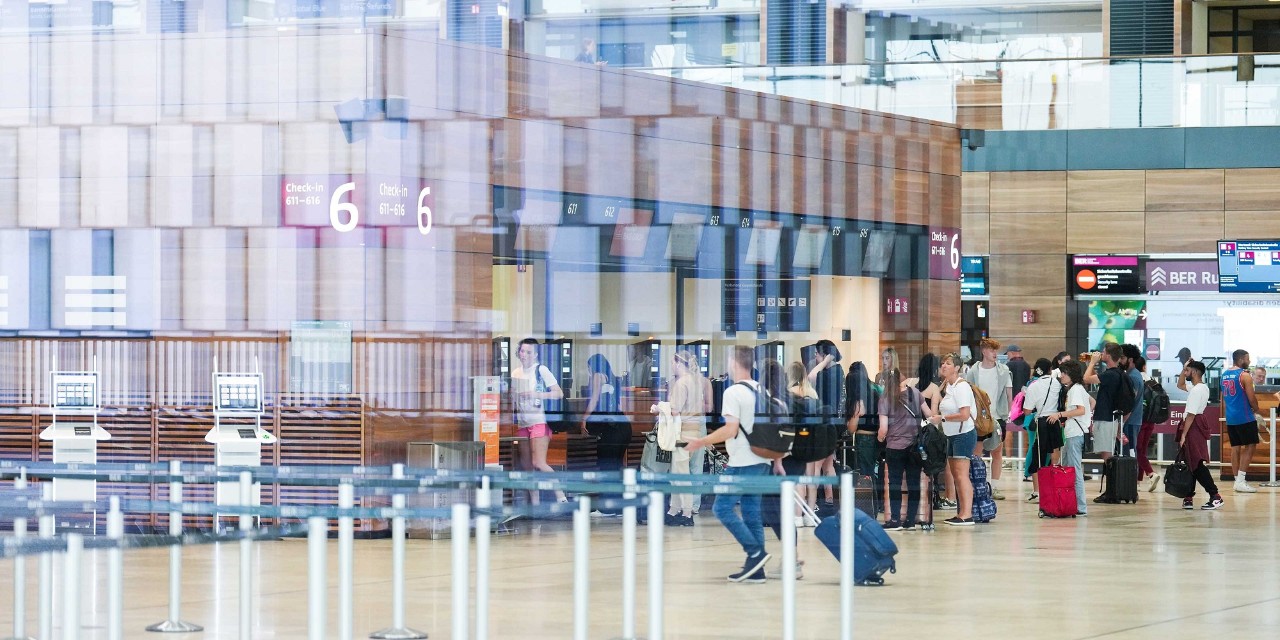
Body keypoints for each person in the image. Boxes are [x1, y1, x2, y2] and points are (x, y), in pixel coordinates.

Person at [687, 346, 774, 583]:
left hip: (743, 461)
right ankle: (757, 570)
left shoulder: (733, 392)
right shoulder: (761, 390)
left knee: (722, 507)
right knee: (751, 514)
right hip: (762, 459)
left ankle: (755, 553)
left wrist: (701, 441)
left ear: (735, 362)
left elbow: (730, 429)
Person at [511, 338, 567, 510]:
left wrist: (535, 394)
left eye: (529, 352)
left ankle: (561, 497)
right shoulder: (515, 373)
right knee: (528, 467)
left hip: (540, 420)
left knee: (539, 462)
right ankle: (534, 505)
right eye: (522, 351)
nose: (524, 355)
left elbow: (558, 393)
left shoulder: (541, 370)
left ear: (535, 354)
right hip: (523, 422)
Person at [879, 363, 933, 531]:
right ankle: (910, 521)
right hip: (914, 447)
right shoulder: (916, 393)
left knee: (894, 483)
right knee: (913, 483)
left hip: (894, 447)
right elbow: (930, 415)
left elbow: (884, 428)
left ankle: (895, 520)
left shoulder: (885, 398)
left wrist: (881, 438)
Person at [659, 350, 710, 526]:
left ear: (679, 364)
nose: (671, 365)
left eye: (673, 362)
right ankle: (674, 509)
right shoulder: (696, 382)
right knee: (681, 472)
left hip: (683, 433)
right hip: (695, 431)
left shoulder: (681, 384)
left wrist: (658, 408)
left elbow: (674, 410)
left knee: (680, 474)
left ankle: (686, 513)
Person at [925, 353, 976, 526]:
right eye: (942, 363)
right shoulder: (949, 386)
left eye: (948, 363)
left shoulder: (961, 387)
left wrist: (942, 419)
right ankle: (961, 512)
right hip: (952, 435)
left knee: (961, 475)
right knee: (956, 475)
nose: (944, 366)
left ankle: (967, 513)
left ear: (957, 368)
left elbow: (964, 414)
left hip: (963, 434)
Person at [963, 337, 1012, 499]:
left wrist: (1009, 413)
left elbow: (1008, 393)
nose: (994, 353)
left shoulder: (1004, 371)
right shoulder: (973, 372)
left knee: (997, 451)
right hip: (978, 417)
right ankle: (977, 485)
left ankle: (995, 487)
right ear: (984, 351)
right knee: (976, 452)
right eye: (991, 350)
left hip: (998, 416)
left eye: (996, 350)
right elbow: (968, 392)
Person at [1042, 360, 1090, 516]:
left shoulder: (1075, 389)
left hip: (1075, 434)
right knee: (1070, 469)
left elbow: (1080, 410)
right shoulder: (1078, 388)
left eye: (1064, 373)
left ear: (1072, 374)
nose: (1061, 376)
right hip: (1075, 432)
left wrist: (1061, 415)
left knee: (1074, 470)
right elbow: (1091, 403)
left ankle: (1080, 507)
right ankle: (1073, 504)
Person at [905, 353, 952, 508]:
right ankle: (933, 497)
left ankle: (910, 499)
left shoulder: (908, 382)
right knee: (931, 464)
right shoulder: (933, 389)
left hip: (905, 429)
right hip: (923, 431)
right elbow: (931, 415)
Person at [1179, 360, 1225, 510]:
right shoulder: (1200, 387)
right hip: (1195, 425)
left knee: (1196, 462)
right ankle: (1188, 496)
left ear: (1194, 372)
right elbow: (1180, 385)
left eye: (1187, 371)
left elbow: (1191, 415)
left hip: (1192, 426)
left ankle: (1215, 496)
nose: (1185, 373)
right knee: (1191, 462)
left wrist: (1184, 434)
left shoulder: (1197, 390)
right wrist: (1184, 366)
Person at [1083, 344, 1126, 482]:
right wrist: (1089, 365)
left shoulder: (1111, 374)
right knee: (1107, 452)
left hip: (1106, 418)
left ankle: (1113, 486)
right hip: (1109, 418)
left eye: (1103, 352)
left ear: (1108, 355)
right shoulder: (1115, 373)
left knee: (1107, 454)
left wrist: (1092, 362)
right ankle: (1113, 486)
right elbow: (1092, 377)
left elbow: (1086, 379)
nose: (1101, 354)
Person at [786, 361, 822, 525]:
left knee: (799, 478)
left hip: (798, 439)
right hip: (814, 439)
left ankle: (797, 516)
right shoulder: (813, 393)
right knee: (812, 478)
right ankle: (810, 515)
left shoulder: (789, 393)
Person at [1222, 349, 1262, 493]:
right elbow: (1251, 398)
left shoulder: (1224, 375)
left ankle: (1236, 480)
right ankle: (1241, 480)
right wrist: (1257, 411)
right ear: (1240, 360)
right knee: (1251, 445)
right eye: (1247, 358)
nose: (1249, 361)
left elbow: (1224, 399)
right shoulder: (1244, 376)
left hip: (1231, 417)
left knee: (1235, 447)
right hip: (1244, 416)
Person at [1020, 358, 1060, 502]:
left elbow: (1027, 411)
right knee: (1054, 454)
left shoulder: (1033, 386)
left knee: (1038, 457)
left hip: (1042, 422)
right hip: (1055, 421)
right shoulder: (1057, 383)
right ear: (1050, 369)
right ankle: (1054, 487)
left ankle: (1037, 491)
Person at [1004, 344, 1032, 467]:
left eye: (1008, 353)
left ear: (1012, 353)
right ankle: (1025, 459)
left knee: (1009, 429)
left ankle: (1009, 459)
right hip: (1024, 401)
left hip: (1011, 402)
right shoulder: (1026, 365)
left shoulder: (1007, 366)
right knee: (1024, 429)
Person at [1119, 344, 1145, 457]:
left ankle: (1129, 475)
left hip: (1130, 421)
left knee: (1128, 454)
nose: (1120, 360)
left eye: (1122, 358)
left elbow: (1130, 403)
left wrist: (1121, 423)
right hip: (1131, 421)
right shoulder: (1131, 375)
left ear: (1130, 359)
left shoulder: (1133, 377)